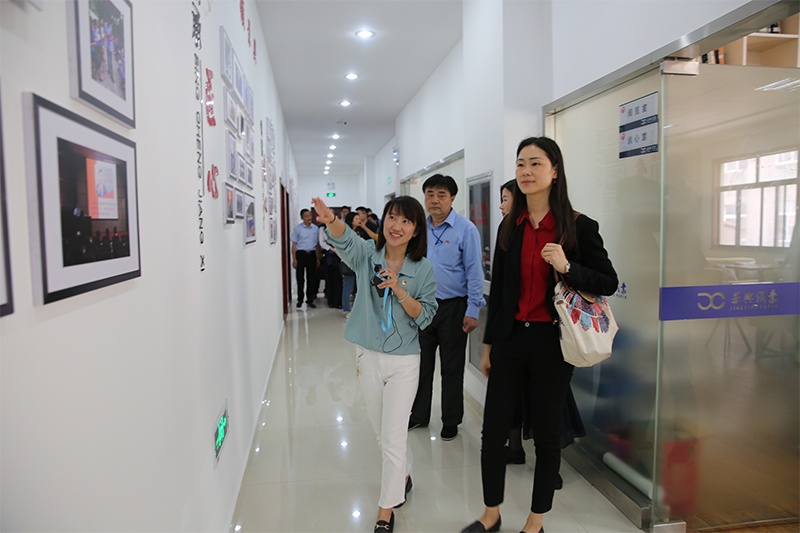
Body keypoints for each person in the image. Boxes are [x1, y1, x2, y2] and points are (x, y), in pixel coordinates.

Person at [461, 137, 617, 533]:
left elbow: (608, 281)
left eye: (535, 163)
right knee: (493, 432)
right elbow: (500, 293)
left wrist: (567, 266)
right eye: (520, 164)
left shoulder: (578, 226)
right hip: (511, 339)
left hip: (552, 343)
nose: (526, 172)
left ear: (555, 171)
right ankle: (491, 514)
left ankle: (535, 521)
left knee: (547, 436)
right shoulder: (509, 226)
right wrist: (488, 347)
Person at [313, 195, 438, 533]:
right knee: (383, 435)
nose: (397, 226)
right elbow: (346, 241)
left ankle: (385, 510)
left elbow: (426, 316)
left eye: (406, 221)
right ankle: (404, 476)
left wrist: (399, 289)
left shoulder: (423, 269)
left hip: (405, 361)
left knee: (393, 438)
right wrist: (331, 220)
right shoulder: (368, 255)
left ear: (416, 230)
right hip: (368, 356)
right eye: (392, 218)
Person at [409, 174, 485, 441]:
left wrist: (473, 310)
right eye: (430, 194)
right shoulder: (417, 229)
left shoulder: (466, 230)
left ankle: (451, 420)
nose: (435, 200)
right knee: (420, 366)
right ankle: (419, 415)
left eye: (441, 195)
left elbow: (474, 272)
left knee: (451, 368)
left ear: (452, 198)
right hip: (421, 307)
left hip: (453, 308)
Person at [341, 211, 370, 317]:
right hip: (349, 262)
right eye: (356, 219)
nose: (359, 220)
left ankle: (358, 309)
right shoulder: (346, 233)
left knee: (359, 287)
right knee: (348, 287)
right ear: (351, 220)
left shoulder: (357, 232)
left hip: (359, 262)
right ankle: (346, 309)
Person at [291, 208, 320, 309]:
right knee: (300, 278)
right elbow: (294, 245)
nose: (309, 218)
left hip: (311, 254)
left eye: (310, 215)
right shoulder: (297, 229)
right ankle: (300, 299)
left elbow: (317, 245)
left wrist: (318, 258)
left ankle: (310, 299)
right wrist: (294, 259)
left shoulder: (315, 229)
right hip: (301, 254)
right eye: (306, 216)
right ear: (302, 217)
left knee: (311, 278)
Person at [319, 225, 343, 308]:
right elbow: (322, 243)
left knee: (338, 280)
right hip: (328, 255)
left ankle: (338, 301)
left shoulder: (339, 226)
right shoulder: (322, 228)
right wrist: (331, 249)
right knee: (329, 279)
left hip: (338, 255)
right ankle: (330, 301)